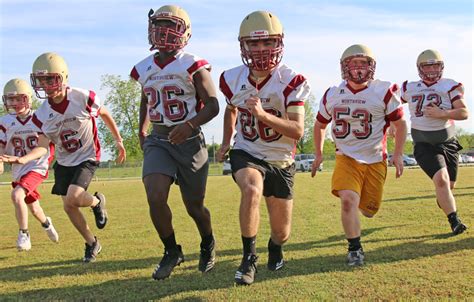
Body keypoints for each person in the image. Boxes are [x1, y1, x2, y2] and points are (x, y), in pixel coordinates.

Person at [2, 52, 126, 262]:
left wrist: (118, 139)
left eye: (50, 78)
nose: (45, 84)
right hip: (64, 159)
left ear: (62, 77)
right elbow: (43, 146)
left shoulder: (82, 96)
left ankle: (96, 202)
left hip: (87, 154)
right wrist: (22, 159)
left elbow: (103, 113)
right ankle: (91, 242)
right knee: (69, 206)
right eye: (41, 80)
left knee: (74, 197)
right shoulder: (41, 114)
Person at [217, 11, 310, 285]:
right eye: (254, 44)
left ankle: (274, 247)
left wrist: (263, 115)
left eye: (267, 43)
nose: (260, 50)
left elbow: (297, 130)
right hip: (247, 152)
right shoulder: (232, 78)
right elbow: (231, 110)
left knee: (282, 233)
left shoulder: (292, 80)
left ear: (279, 44)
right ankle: (248, 259)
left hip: (281, 159)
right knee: (251, 188)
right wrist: (226, 141)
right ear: (242, 46)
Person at [130, 5, 219, 280]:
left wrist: (190, 124)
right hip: (159, 138)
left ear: (185, 32)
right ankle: (171, 251)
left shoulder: (192, 63)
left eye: (172, 25)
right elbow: (147, 97)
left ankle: (208, 243)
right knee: (155, 195)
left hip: (190, 140)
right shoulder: (143, 67)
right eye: (159, 24)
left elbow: (214, 105)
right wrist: (143, 129)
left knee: (195, 207)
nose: (164, 31)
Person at [311, 44, 407, 266]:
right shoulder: (333, 93)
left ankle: (362, 214)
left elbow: (401, 124)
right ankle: (355, 248)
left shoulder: (383, 91)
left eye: (363, 63)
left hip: (375, 159)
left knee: (370, 211)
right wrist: (317, 153)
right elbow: (319, 125)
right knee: (348, 201)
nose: (358, 68)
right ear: (345, 67)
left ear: (371, 66)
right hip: (346, 157)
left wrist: (398, 154)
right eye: (353, 63)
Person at [401, 49, 468, 235]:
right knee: (442, 180)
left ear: (441, 66)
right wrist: (391, 123)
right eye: (427, 65)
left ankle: (444, 198)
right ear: (419, 68)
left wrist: (443, 113)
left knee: (449, 185)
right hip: (424, 143)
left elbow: (464, 113)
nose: (431, 69)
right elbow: (391, 104)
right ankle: (454, 221)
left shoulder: (450, 86)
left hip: (448, 141)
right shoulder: (409, 87)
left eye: (435, 65)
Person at [0, 78, 59, 251]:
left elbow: (46, 145)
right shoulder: (5, 121)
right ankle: (47, 223)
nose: (15, 103)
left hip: (37, 165)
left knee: (17, 195)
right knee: (33, 208)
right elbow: (1, 145)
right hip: (18, 170)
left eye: (19, 98)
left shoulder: (40, 117)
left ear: (27, 98)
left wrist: (23, 159)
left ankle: (24, 234)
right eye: (11, 99)